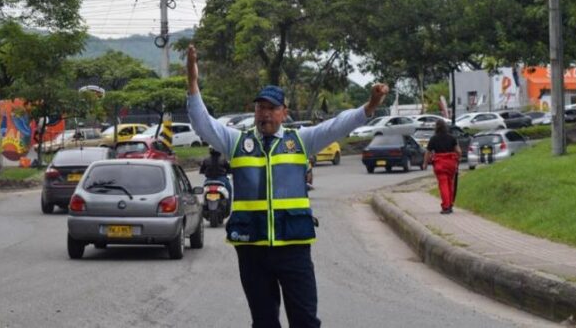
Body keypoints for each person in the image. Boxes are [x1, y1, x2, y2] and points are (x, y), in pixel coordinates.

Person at [186, 44, 388, 328]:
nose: (265, 114)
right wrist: (193, 83)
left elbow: (336, 126)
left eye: (271, 108)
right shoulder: (237, 142)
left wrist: (369, 107)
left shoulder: (300, 140)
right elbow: (202, 123)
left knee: (305, 320)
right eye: (260, 108)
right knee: (264, 322)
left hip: (293, 247)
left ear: (284, 112)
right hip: (252, 247)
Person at [422, 120, 462, 214]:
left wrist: (425, 163)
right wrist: (457, 159)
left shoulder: (433, 139)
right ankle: (450, 204)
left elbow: (427, 153)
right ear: (445, 127)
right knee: (450, 184)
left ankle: (446, 206)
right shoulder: (452, 138)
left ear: (436, 127)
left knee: (443, 185)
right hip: (451, 164)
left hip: (440, 164)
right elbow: (459, 151)